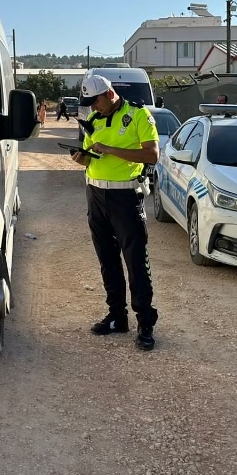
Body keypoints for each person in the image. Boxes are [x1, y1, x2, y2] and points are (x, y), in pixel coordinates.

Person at [69, 75, 160, 351]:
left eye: (94, 101)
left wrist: (109, 149)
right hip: (96, 195)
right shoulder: (94, 122)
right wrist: (81, 158)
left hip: (125, 197)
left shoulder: (138, 114)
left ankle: (145, 322)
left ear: (109, 94)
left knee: (135, 260)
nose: (92, 108)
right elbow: (91, 158)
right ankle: (117, 316)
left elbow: (152, 155)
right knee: (107, 259)